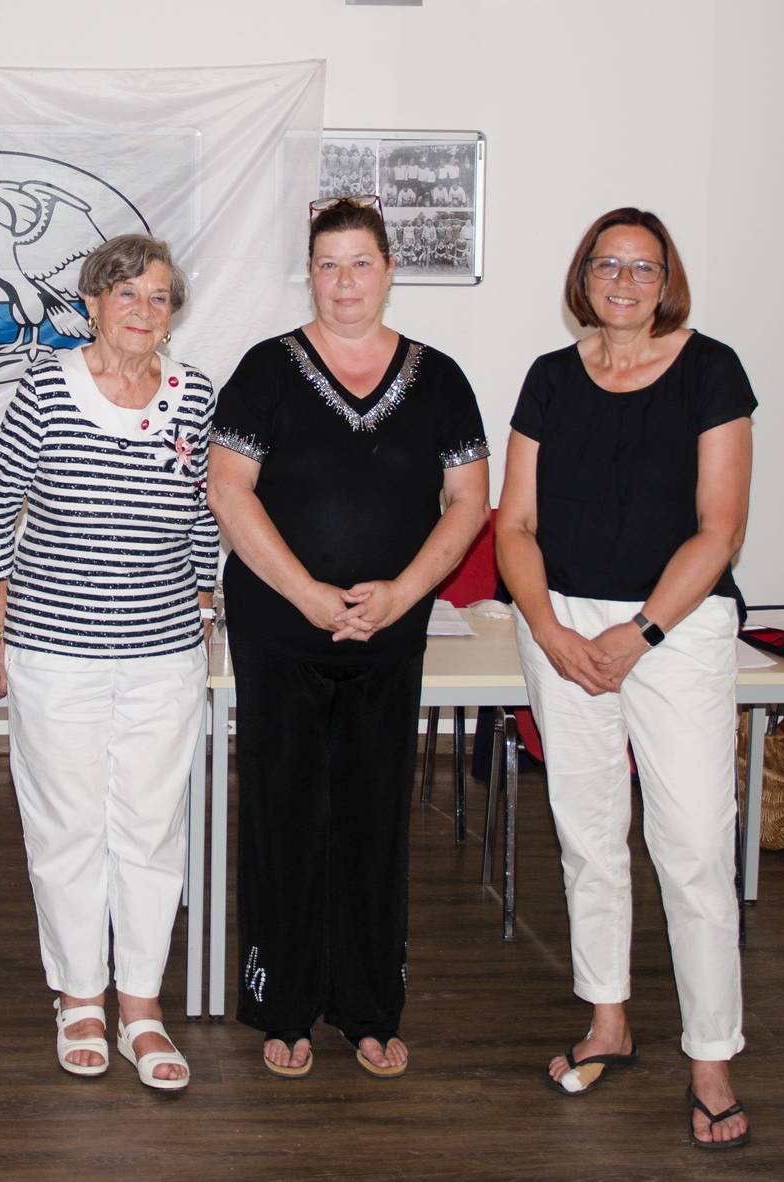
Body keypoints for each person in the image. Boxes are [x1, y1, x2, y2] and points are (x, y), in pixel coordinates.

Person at [209, 197, 489, 1079]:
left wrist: (403, 594)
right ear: (310, 273)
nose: (344, 282)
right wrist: (308, 595)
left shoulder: (438, 378)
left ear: (389, 269)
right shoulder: (266, 368)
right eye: (328, 265)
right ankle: (284, 1005)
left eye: (360, 263)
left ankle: (368, 1006)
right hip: (281, 633)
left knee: (372, 822)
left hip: (388, 637)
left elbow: (469, 502)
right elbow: (229, 491)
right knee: (285, 814)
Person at [496, 208, 755, 1149]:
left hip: (675, 633)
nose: (624, 280)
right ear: (585, 276)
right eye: (608, 264)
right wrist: (551, 628)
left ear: (666, 280)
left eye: (643, 268)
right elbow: (513, 525)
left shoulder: (711, 370)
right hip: (561, 627)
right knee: (589, 836)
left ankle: (713, 1058)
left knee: (691, 846)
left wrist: (638, 632)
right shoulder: (551, 378)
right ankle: (607, 1017)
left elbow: (718, 528)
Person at [0, 234, 216, 1091]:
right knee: (67, 826)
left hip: (163, 656)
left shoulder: (197, 395)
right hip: (53, 651)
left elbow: (208, 516)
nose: (144, 311)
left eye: (159, 297)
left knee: (152, 829)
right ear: (91, 303)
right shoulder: (45, 385)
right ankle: (79, 995)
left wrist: (207, 602)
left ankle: (141, 1006)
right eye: (127, 295)